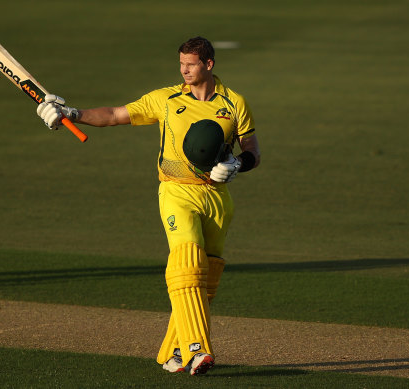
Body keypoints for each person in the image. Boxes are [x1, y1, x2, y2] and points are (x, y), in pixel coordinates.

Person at [36, 36, 260, 376]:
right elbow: (113, 114)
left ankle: (171, 351)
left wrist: (238, 165)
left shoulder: (235, 103)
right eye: (181, 63)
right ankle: (197, 350)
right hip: (175, 192)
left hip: (216, 197)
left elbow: (253, 149)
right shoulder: (166, 100)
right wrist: (72, 113)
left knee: (206, 279)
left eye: (191, 64)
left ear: (209, 65)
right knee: (187, 264)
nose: (184, 69)